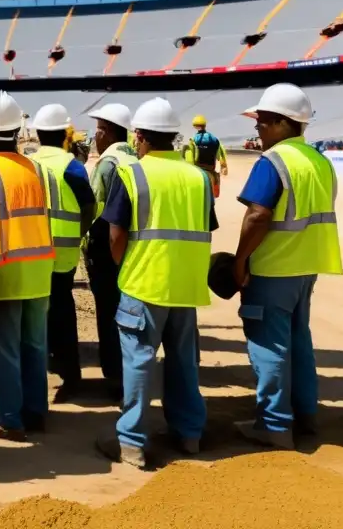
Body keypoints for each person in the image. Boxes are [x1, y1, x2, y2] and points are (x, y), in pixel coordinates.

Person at [96, 97, 215, 469]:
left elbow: (115, 234)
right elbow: (205, 226)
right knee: (183, 362)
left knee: (139, 362)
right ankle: (189, 433)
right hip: (187, 285)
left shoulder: (133, 173)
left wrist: (124, 267)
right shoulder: (199, 177)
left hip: (143, 283)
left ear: (140, 137)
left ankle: (131, 442)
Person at [233, 83, 342, 449]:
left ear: (281, 123)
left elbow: (258, 215)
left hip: (273, 267)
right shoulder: (320, 162)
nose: (258, 129)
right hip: (307, 268)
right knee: (299, 340)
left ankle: (275, 425)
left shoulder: (273, 161)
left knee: (269, 345)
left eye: (262, 122)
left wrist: (240, 260)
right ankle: (305, 415)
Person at [0, 91, 55, 441]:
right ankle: (36, 411)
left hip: (0, 272)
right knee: (35, 345)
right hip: (38, 269)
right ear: (15, 134)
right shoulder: (36, 169)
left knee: (5, 350)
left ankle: (9, 417)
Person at [29, 103, 96, 400]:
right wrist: (79, 231)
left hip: (32, 252)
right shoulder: (72, 166)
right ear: (64, 134)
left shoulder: (27, 163)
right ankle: (71, 376)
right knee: (63, 312)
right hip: (65, 253)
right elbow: (89, 206)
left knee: (34, 316)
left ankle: (40, 371)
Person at [84, 103, 138, 397]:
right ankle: (128, 370)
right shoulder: (136, 157)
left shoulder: (106, 164)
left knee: (107, 312)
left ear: (105, 132)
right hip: (134, 245)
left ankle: (114, 376)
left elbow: (94, 207)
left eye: (97, 129)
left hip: (107, 245)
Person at [185, 115, 228, 197]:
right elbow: (221, 153)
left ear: (194, 126)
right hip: (211, 169)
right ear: (205, 125)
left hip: (198, 170)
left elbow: (189, 157)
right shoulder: (214, 138)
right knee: (213, 195)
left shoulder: (193, 139)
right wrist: (224, 166)